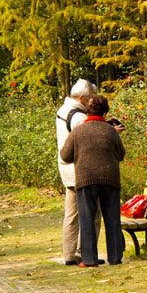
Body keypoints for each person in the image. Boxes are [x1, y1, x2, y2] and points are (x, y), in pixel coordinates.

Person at [60, 95, 126, 266]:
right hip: (110, 179)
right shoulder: (111, 131)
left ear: (87, 111)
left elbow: (65, 156)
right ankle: (115, 257)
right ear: (106, 112)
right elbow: (121, 154)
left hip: (85, 179)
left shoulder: (78, 131)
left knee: (87, 219)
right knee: (112, 219)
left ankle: (89, 260)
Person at [56, 79, 102, 266]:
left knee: (72, 214)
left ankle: (69, 254)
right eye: (90, 98)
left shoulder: (63, 110)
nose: (92, 102)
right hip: (82, 171)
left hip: (68, 171)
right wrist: (110, 130)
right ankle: (86, 253)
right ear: (82, 97)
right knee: (93, 214)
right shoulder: (78, 117)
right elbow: (90, 139)